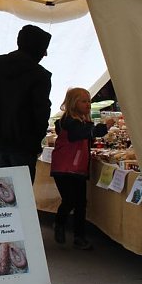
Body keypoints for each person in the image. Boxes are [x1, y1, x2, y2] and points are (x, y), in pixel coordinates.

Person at [0, 24, 52, 183]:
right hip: (22, 143)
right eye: (44, 49)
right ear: (38, 49)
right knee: (21, 195)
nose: (45, 54)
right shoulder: (39, 76)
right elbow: (41, 112)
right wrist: (37, 138)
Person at [51, 88, 114, 250]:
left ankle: (79, 237)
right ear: (73, 103)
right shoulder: (70, 122)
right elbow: (83, 133)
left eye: (89, 101)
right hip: (65, 168)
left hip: (77, 168)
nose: (88, 104)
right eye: (84, 101)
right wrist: (104, 127)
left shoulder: (79, 121)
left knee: (80, 203)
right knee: (70, 200)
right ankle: (59, 223)